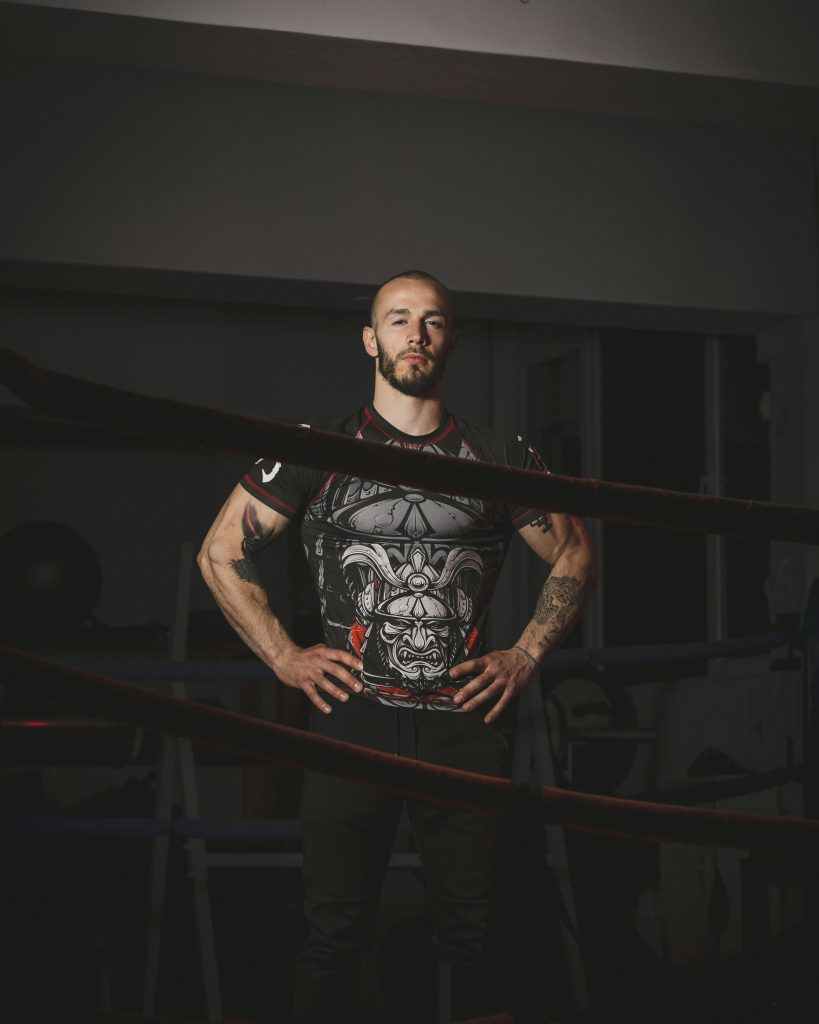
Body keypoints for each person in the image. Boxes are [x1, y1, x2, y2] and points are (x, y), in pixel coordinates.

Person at [198, 270, 597, 1023]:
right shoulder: (314, 449)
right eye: (398, 318)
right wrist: (284, 655)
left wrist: (525, 655)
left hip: (464, 725)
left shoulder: (496, 454)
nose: (415, 334)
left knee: (481, 940)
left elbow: (574, 554)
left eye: (432, 320)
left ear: (450, 339)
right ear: (369, 339)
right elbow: (221, 552)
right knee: (332, 935)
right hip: (353, 718)